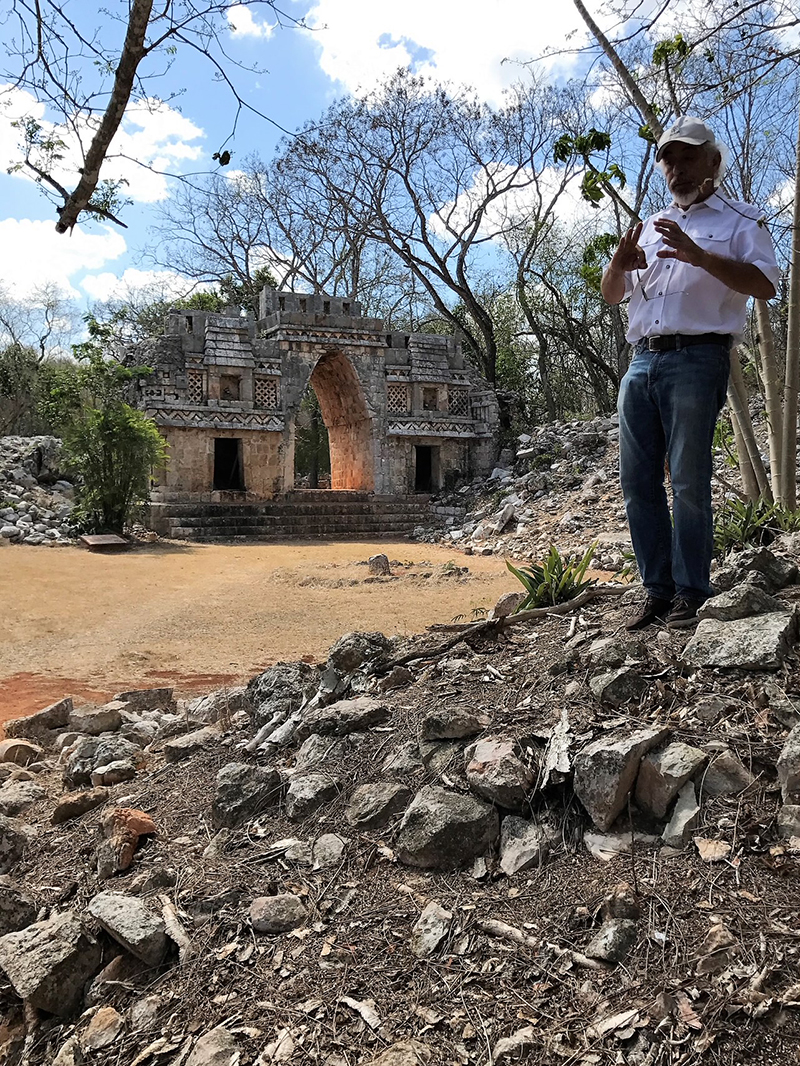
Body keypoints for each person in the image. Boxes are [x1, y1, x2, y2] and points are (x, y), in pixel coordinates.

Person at [601, 116, 779, 630]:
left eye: (688, 157)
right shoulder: (649, 225)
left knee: (687, 478)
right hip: (641, 361)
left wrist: (701, 256)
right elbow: (612, 295)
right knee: (637, 481)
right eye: (669, 160)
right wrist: (617, 266)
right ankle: (656, 590)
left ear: (713, 162)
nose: (677, 168)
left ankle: (691, 591)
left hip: (698, 358)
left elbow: (765, 285)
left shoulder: (742, 220)